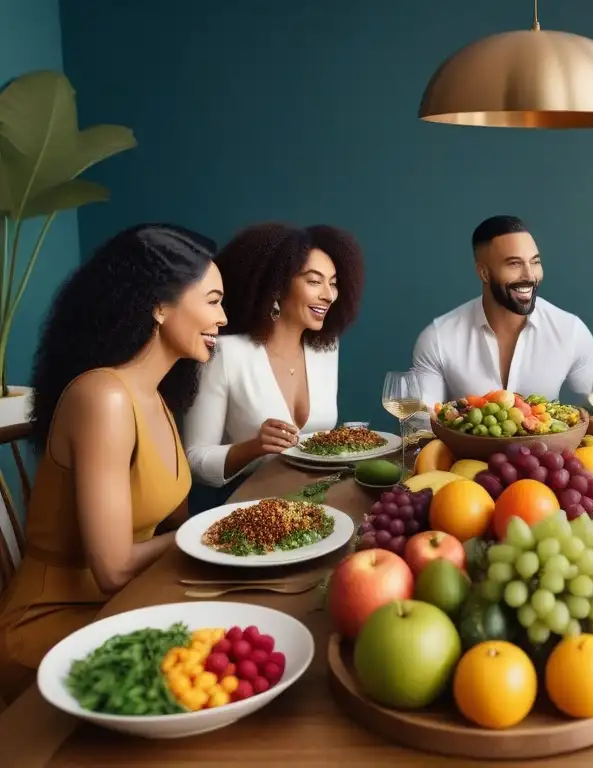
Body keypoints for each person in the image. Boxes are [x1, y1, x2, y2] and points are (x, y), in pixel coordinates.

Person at [0, 224, 225, 705]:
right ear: (160, 306)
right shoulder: (103, 397)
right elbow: (115, 568)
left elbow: (174, 533)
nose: (223, 317)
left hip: (123, 608)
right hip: (53, 625)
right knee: (208, 679)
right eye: (212, 300)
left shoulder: (160, 400)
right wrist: (215, 532)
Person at [182, 223, 364, 488]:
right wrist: (254, 447)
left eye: (333, 284)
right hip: (246, 505)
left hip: (317, 498)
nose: (328, 295)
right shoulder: (223, 353)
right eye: (314, 281)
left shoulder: (326, 348)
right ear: (276, 287)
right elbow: (194, 460)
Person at [411, 215, 593, 407]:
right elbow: (422, 422)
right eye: (514, 264)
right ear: (484, 273)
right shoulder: (438, 337)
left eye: (535, 262)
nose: (529, 276)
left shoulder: (571, 331)